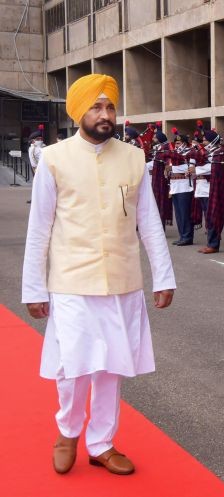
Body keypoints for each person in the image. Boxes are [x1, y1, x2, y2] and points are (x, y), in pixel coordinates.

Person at [21, 74, 175, 475]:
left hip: (122, 280)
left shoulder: (134, 157)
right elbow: (40, 228)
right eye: (96, 106)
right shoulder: (54, 159)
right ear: (78, 112)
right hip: (72, 281)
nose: (105, 114)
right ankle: (67, 432)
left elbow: (150, 222)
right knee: (74, 367)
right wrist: (34, 287)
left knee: (112, 367)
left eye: (110, 107)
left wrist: (164, 276)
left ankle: (102, 443)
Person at [198, 128, 224, 254]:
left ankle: (214, 244)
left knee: (214, 215)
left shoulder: (220, 152)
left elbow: (214, 169)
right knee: (209, 216)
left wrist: (198, 170)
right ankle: (211, 242)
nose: (203, 142)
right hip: (207, 188)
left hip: (217, 188)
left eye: (205, 140)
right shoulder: (210, 152)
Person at [167, 128, 194, 245]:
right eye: (175, 143)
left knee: (184, 213)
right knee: (178, 214)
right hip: (175, 186)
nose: (176, 145)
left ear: (184, 143)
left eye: (178, 143)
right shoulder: (174, 154)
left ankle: (187, 237)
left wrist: (172, 168)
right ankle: (182, 235)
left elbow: (189, 168)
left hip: (184, 186)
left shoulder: (190, 152)